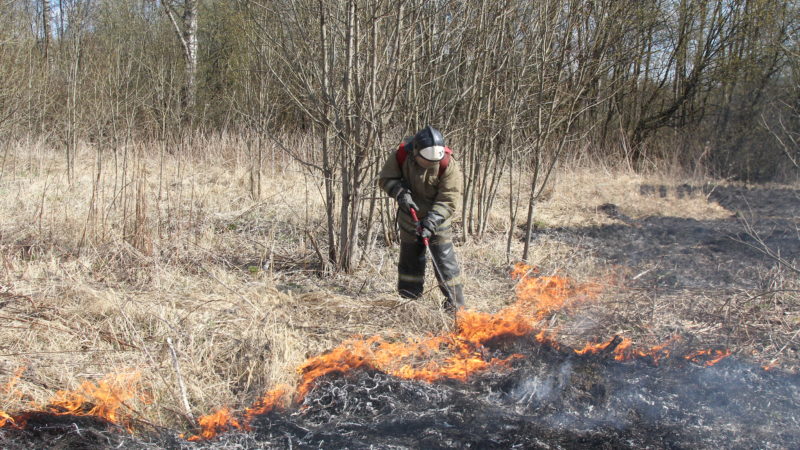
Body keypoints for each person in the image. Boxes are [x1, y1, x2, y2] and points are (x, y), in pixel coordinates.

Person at [378, 125, 465, 312]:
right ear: (415, 152)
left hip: (438, 220)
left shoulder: (448, 164)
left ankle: (456, 307)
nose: (429, 165)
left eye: (432, 163)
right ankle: (409, 302)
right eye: (425, 161)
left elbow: (449, 198)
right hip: (409, 218)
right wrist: (400, 193)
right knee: (410, 261)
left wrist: (432, 221)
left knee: (445, 262)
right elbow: (386, 179)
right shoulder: (401, 156)